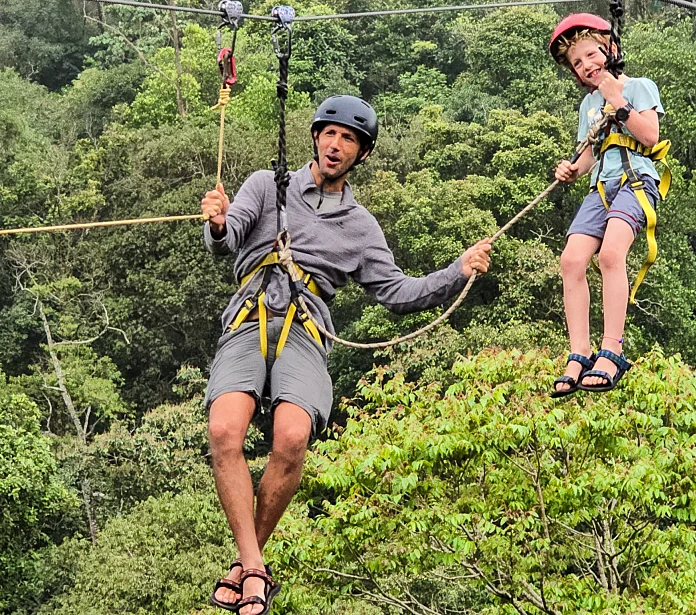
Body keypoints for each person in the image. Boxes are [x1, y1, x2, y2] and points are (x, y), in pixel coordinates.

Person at [200, 94, 492, 615]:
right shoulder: (268, 186)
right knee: (224, 430)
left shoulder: (360, 226)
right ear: (315, 136)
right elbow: (226, 240)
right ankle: (254, 567)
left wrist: (457, 270)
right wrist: (219, 223)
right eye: (330, 133)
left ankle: (246, 566)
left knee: (292, 438)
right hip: (249, 317)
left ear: (361, 153)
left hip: (306, 330)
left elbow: (399, 294)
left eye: (349, 139)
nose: (336, 145)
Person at [548, 14, 665, 397]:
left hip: (636, 181)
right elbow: (588, 156)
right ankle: (579, 351)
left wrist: (618, 101)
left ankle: (611, 347)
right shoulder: (588, 106)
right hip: (603, 185)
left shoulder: (638, 88)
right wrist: (570, 169)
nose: (586, 67)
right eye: (578, 64)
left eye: (590, 56)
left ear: (610, 50)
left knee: (611, 255)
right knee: (571, 259)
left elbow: (649, 136)